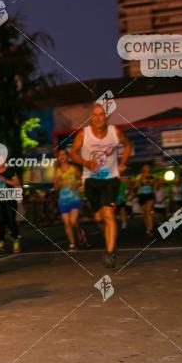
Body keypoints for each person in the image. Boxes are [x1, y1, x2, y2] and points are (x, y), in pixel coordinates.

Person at [70, 103, 133, 268]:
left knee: (109, 214)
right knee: (99, 217)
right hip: (90, 181)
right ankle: (110, 240)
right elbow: (73, 153)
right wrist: (86, 162)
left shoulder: (115, 132)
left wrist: (123, 163)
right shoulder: (84, 134)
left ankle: (110, 252)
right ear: (91, 118)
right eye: (95, 115)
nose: (98, 118)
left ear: (107, 117)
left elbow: (128, 145)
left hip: (111, 179)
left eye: (101, 115)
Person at [0, 157, 21, 253]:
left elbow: (17, 182)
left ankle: (16, 243)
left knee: (11, 221)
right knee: (0, 222)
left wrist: (5, 180)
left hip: (9, 200)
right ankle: (0, 243)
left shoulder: (10, 171)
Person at [53, 148, 85, 252]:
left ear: (67, 157)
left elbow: (83, 179)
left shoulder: (73, 168)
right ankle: (72, 243)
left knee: (72, 222)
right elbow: (56, 187)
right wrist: (58, 183)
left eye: (64, 155)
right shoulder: (57, 171)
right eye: (60, 155)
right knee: (67, 224)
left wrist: (77, 184)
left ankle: (79, 232)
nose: (62, 157)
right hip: (63, 200)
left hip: (74, 198)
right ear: (58, 158)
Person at [135, 164, 157, 238]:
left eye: (148, 167)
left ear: (149, 168)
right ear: (143, 169)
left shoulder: (152, 176)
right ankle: (148, 227)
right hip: (142, 195)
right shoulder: (139, 176)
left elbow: (150, 183)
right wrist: (138, 182)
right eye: (145, 167)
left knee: (148, 210)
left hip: (150, 195)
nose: (146, 168)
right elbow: (136, 185)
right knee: (145, 213)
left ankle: (150, 229)